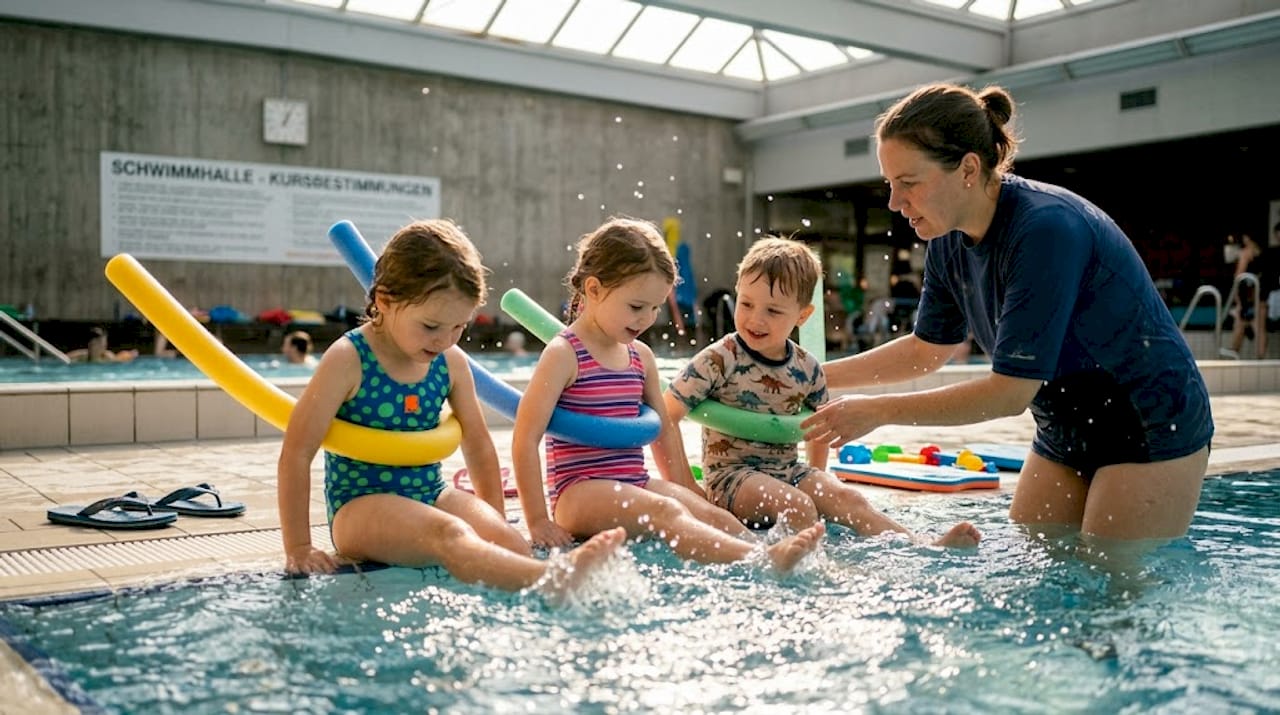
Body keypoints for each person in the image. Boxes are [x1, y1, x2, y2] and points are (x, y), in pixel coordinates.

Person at [801, 82, 1214, 543]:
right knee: (1039, 561)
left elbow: (1009, 393)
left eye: (909, 183)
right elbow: (925, 350)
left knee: (1107, 572)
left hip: (1149, 421)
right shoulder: (946, 238)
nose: (895, 203)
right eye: (890, 184)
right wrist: (812, 375)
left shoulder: (1045, 230)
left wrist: (877, 412)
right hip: (1064, 428)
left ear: (968, 169)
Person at [277, 219, 625, 600]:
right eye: (431, 326)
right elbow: (297, 450)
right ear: (385, 301)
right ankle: (551, 581)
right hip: (359, 507)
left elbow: (478, 445)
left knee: (510, 544)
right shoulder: (349, 359)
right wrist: (299, 546)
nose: (444, 340)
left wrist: (495, 524)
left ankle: (538, 580)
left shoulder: (450, 362)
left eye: (459, 327)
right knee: (450, 534)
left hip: (431, 492)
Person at [512, 217, 825, 572]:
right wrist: (537, 519)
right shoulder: (564, 354)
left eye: (655, 307)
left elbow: (662, 429)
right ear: (594, 289)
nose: (646, 319)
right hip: (578, 492)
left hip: (634, 481)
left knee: (710, 514)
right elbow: (525, 438)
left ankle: (772, 555)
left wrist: (688, 487)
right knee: (666, 511)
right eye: (636, 307)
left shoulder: (640, 356)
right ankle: (763, 560)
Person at [664, 237, 980, 547]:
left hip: (788, 470)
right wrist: (686, 485)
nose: (756, 319)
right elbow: (667, 414)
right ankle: (821, 572)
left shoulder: (807, 367)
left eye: (773, 311)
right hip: (732, 478)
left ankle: (922, 544)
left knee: (848, 498)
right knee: (798, 505)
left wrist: (816, 477)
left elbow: (820, 426)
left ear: (802, 315)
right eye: (746, 304)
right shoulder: (719, 359)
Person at [1225, 233, 1268, 359]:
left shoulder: (1246, 253)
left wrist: (1236, 295)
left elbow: (1239, 276)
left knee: (1241, 325)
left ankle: (1234, 355)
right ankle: (1261, 358)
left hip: (1247, 295)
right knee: (1258, 328)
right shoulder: (1261, 252)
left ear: (1247, 238)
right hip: (1260, 294)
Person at [67, 326, 139, 363]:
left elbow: (121, 358)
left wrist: (131, 354)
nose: (105, 345)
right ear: (91, 344)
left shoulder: (107, 357)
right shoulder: (82, 356)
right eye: (102, 343)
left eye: (105, 343)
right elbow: (65, 358)